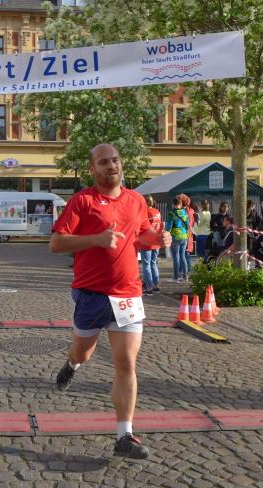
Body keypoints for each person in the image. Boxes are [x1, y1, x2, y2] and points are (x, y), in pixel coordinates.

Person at [50, 143, 171, 460]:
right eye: (104, 162)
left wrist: (157, 239)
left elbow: (141, 236)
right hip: (90, 294)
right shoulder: (82, 201)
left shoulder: (136, 200)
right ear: (93, 169)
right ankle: (71, 365)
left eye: (115, 160)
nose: (111, 166)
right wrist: (97, 239)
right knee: (83, 352)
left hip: (128, 293)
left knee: (126, 363)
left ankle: (124, 435)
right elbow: (56, 243)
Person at [137, 195, 162, 294]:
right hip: (156, 241)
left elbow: (141, 226)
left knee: (146, 265)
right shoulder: (157, 211)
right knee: (153, 263)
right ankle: (156, 285)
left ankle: (149, 287)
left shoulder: (145, 212)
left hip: (146, 242)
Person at [166, 195, 190, 282]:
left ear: (173, 204)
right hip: (184, 237)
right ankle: (185, 276)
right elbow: (187, 225)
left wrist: (167, 232)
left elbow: (169, 227)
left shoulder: (171, 213)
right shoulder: (185, 212)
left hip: (175, 236)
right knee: (183, 256)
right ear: (181, 203)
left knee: (176, 257)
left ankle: (176, 278)